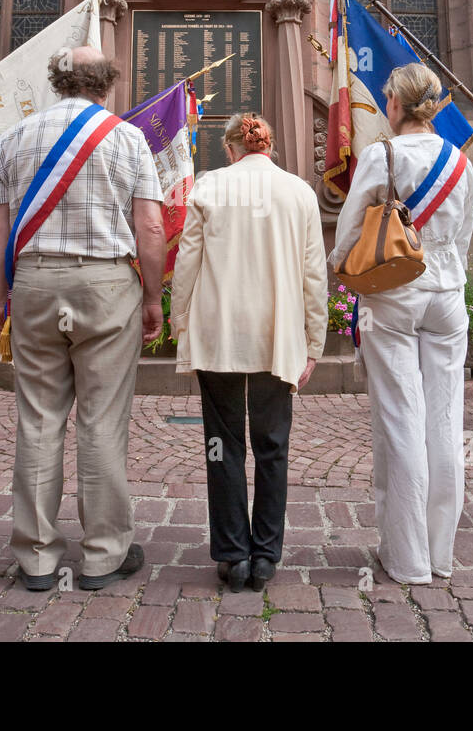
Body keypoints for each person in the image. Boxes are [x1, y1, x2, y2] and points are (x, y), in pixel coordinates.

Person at [0, 45, 165, 591]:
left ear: (56, 83)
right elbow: (150, 229)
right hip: (107, 283)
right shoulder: (128, 138)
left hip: (35, 283)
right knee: (102, 421)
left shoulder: (12, 139)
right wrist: (153, 297)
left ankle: (36, 557)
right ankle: (104, 554)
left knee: (38, 419)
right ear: (105, 85)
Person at [328, 63, 473, 583]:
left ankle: (408, 557)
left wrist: (337, 271)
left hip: (393, 293)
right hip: (448, 296)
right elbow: (462, 235)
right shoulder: (460, 161)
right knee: (444, 420)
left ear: (393, 103)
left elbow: (350, 228)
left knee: (399, 418)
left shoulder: (383, 154)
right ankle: (441, 553)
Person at [170, 114, 327, 592]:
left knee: (222, 445)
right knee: (272, 446)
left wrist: (182, 326)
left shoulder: (210, 187)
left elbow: (187, 265)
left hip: (220, 334)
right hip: (277, 335)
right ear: (269, 146)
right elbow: (313, 275)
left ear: (230, 148)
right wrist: (314, 343)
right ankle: (265, 557)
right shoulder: (298, 191)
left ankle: (233, 555)